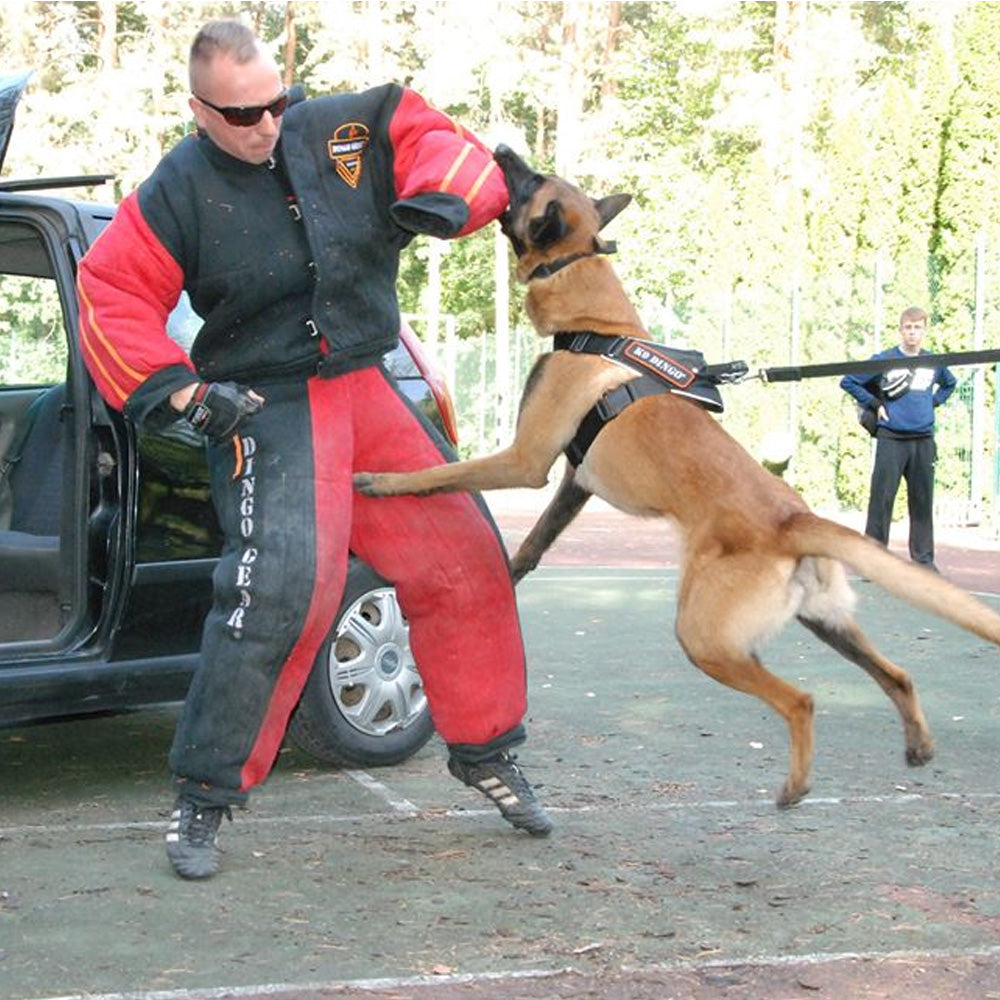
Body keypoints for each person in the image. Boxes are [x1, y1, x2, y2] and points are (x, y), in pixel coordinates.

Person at [78, 20, 552, 880]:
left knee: (466, 558)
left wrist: (445, 198)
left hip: (367, 383)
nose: (266, 125)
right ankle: (205, 793)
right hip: (266, 399)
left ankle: (487, 751)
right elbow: (109, 292)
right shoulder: (174, 192)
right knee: (283, 587)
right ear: (198, 111)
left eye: (276, 103)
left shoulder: (345, 126)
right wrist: (183, 388)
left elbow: (434, 137)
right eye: (242, 114)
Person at [840, 306, 957, 571]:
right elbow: (848, 381)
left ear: (924, 330)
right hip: (891, 439)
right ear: (900, 329)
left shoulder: (933, 362)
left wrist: (932, 403)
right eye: (908, 327)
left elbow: (950, 384)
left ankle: (924, 561)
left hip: (923, 439)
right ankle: (873, 562)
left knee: (922, 501)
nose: (912, 333)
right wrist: (874, 404)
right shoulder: (885, 359)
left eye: (917, 327)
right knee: (881, 499)